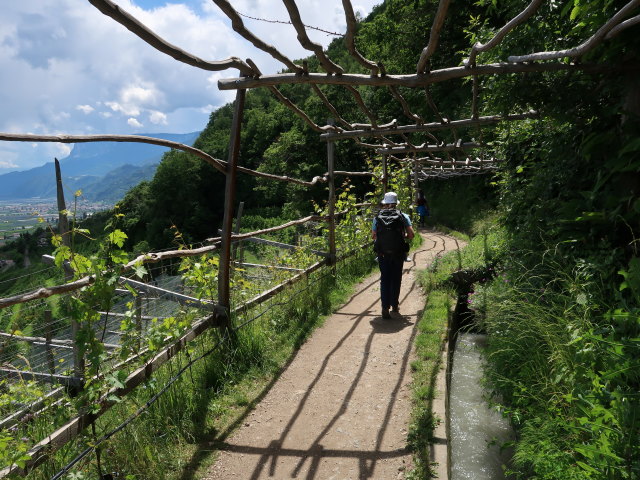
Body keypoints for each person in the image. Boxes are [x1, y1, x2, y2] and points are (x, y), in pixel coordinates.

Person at [372, 191, 415, 319]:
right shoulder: (403, 216)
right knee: (396, 279)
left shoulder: (377, 217)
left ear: (385, 203)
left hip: (383, 253)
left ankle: (385, 307)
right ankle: (394, 305)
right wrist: (403, 236)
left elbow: (373, 236)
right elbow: (411, 235)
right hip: (398, 253)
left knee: (385, 279)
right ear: (396, 203)